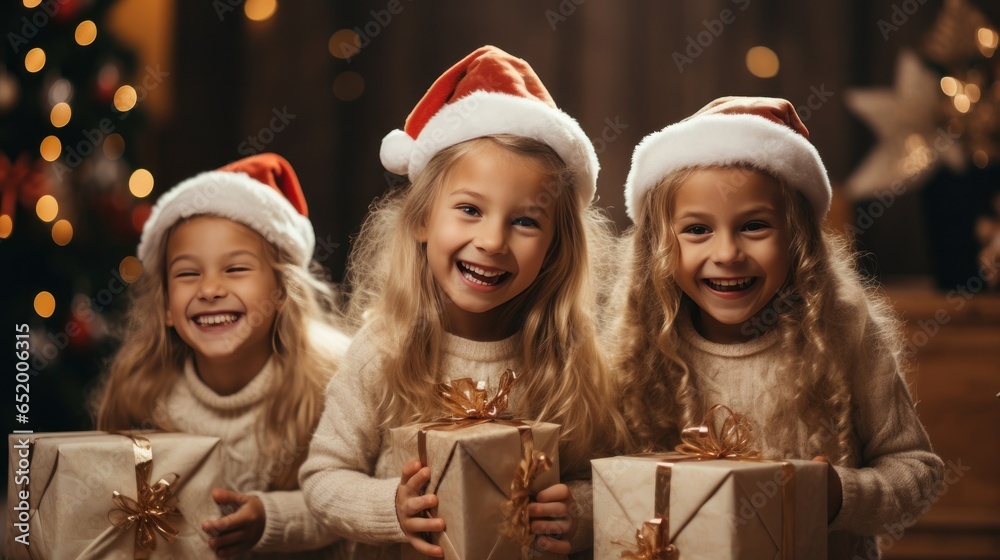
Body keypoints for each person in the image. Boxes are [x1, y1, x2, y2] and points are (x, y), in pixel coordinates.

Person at [299, 45, 628, 559]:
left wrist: (576, 513)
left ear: (555, 247)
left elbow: (598, 479)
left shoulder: (567, 357)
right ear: (424, 219)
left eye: (525, 221)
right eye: (470, 210)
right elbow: (323, 477)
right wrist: (392, 507)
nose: (493, 241)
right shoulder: (384, 349)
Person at [611, 111, 945, 558]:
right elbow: (606, 486)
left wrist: (840, 496)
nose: (727, 253)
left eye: (754, 226)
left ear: (798, 239)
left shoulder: (846, 336)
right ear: (659, 245)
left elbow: (918, 473)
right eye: (697, 230)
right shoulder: (638, 354)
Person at [94, 153, 351, 559]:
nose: (210, 288)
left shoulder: (332, 381)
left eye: (235, 269)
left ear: (282, 292)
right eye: (188, 273)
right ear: (164, 306)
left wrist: (272, 518)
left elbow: (353, 500)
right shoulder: (141, 388)